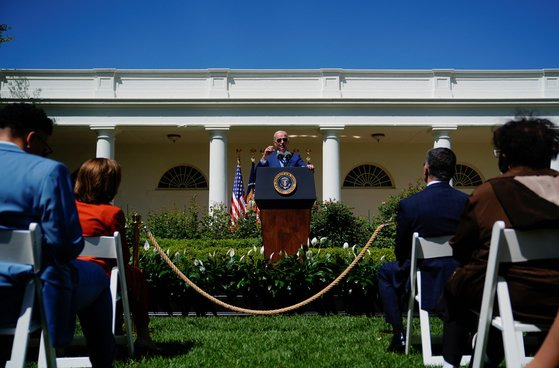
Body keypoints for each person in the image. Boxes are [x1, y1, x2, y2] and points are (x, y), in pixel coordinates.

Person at [0, 103, 115, 367]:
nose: (44, 153)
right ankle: (102, 362)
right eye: (45, 147)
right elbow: (65, 246)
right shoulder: (47, 172)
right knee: (97, 277)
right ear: (32, 138)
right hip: (21, 295)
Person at [441, 117, 559, 368]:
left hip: (514, 297)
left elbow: (461, 249)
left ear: (505, 155)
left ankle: (454, 361)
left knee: (457, 285)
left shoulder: (489, 192)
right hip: (555, 299)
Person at [377, 147, 468, 353]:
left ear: (426, 170)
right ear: (453, 171)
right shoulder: (467, 202)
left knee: (386, 272)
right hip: (460, 277)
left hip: (424, 277)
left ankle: (399, 333)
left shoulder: (410, 204)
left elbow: (400, 251)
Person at [74, 158, 160, 352]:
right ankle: (143, 335)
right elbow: (122, 256)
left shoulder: (67, 209)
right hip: (102, 276)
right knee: (135, 275)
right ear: (109, 185)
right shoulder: (112, 213)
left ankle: (117, 327)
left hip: (68, 272)